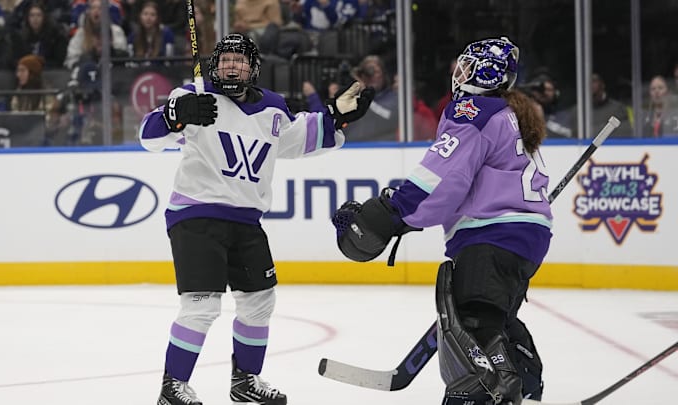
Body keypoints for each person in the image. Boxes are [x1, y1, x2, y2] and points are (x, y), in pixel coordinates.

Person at [138, 32, 374, 405]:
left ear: (254, 68)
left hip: (246, 221)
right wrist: (175, 117)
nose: (232, 65)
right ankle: (173, 386)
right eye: (226, 59)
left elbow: (300, 138)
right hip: (196, 214)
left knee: (260, 301)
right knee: (201, 305)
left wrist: (336, 118)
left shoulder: (273, 108)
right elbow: (148, 137)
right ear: (215, 65)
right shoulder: (193, 97)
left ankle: (245, 381)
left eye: (240, 59)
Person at [330, 37, 550, 405]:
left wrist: (392, 213)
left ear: (484, 72)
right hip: (526, 236)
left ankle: (484, 394)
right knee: (492, 316)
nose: (457, 72)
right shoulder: (509, 114)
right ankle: (525, 384)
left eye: (465, 66)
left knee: (471, 324)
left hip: (491, 235)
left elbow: (442, 178)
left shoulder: (472, 110)